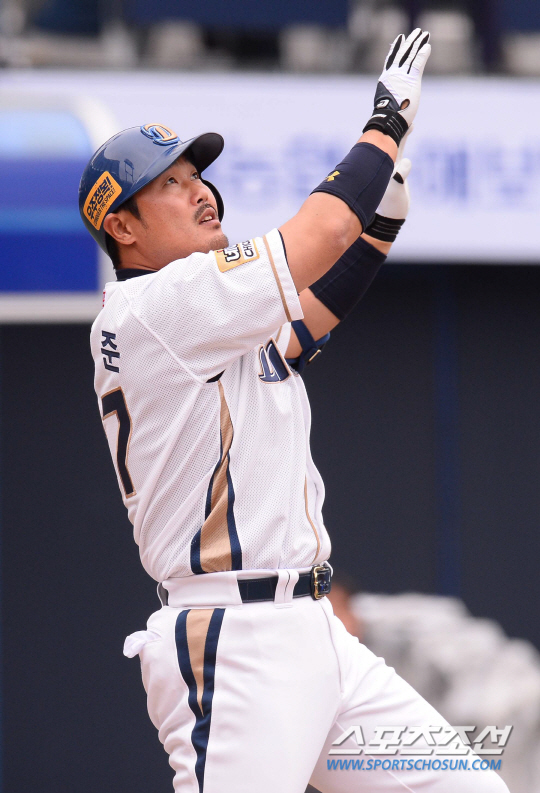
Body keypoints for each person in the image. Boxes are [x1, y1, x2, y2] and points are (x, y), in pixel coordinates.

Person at [80, 30, 508, 793]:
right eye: (171, 182)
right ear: (123, 226)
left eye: (196, 174)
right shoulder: (159, 304)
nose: (201, 190)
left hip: (314, 631)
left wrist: (379, 227)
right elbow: (324, 230)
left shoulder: (201, 315)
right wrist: (385, 124)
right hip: (236, 638)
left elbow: (306, 317)